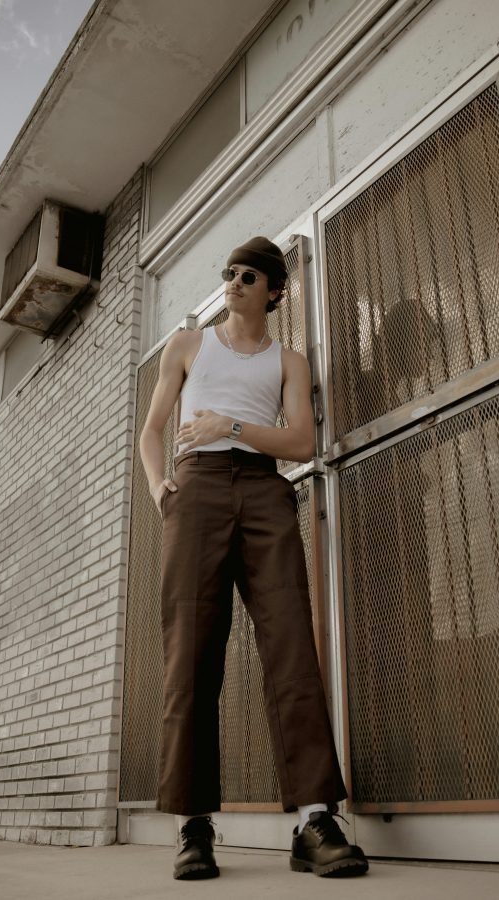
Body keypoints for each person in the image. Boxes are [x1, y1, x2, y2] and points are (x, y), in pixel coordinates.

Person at [139, 236, 369, 880]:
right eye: (229, 272)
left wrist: (231, 426)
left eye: (247, 276)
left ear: (274, 290)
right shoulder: (188, 345)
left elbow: (299, 442)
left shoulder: (289, 361)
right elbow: (151, 430)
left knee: (291, 645)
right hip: (197, 490)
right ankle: (193, 826)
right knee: (191, 652)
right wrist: (160, 489)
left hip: (265, 490)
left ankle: (315, 821)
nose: (233, 282)